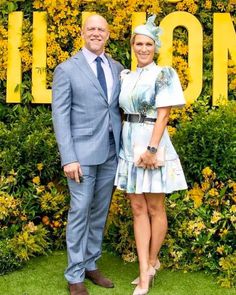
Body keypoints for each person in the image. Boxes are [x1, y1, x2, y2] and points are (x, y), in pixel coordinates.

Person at [115, 15, 188, 295]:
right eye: (138, 43)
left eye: (148, 44)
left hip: (152, 143)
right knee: (137, 208)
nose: (143, 48)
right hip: (128, 143)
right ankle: (147, 266)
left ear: (155, 47)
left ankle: (148, 268)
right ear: (132, 46)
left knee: (155, 207)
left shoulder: (164, 73)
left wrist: (152, 149)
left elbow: (164, 114)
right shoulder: (127, 76)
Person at [52, 14, 123, 295]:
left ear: (108, 35)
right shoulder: (67, 69)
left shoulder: (117, 68)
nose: (96, 33)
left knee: (99, 213)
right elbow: (60, 115)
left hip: (110, 152)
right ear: (82, 33)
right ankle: (74, 275)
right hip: (80, 157)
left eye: (101, 29)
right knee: (80, 211)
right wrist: (68, 157)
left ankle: (91, 264)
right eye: (91, 28)